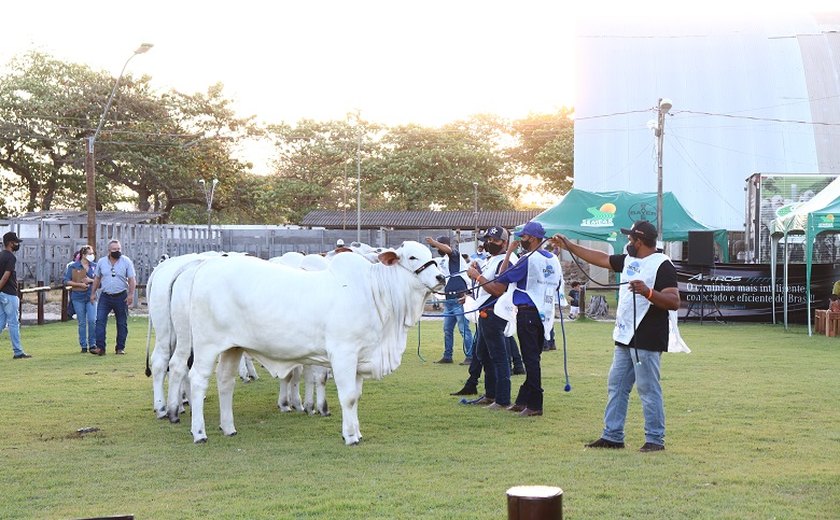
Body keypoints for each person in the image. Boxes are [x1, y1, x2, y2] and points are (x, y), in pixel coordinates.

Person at [551, 220, 680, 452]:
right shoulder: (628, 259)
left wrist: (648, 292)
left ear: (640, 241)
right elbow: (599, 258)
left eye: (631, 239)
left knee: (648, 389)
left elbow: (673, 301)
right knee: (616, 386)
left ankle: (655, 440)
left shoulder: (663, 264)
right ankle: (612, 435)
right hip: (624, 334)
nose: (628, 242)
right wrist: (569, 245)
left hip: (648, 336)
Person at [479, 221, 562, 417]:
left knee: (530, 360)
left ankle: (535, 404)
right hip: (545, 314)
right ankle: (523, 400)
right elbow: (558, 285)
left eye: (523, 237)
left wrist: (508, 253)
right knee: (533, 357)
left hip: (527, 312)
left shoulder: (528, 259)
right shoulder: (553, 260)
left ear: (532, 238)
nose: (521, 240)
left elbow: (502, 277)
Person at [464, 226, 518, 409]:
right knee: (483, 355)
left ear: (505, 243)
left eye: (494, 240)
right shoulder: (493, 259)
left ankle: (502, 399)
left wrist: (477, 276)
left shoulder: (507, 260)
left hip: (496, 312)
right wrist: (479, 271)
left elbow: (497, 289)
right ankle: (490, 394)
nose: (489, 243)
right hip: (485, 312)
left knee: (499, 357)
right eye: (488, 240)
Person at [426, 235, 473, 364]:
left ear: (446, 245)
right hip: (449, 299)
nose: (437, 248)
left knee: (464, 329)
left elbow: (448, 250)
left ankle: (470, 356)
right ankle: (447, 356)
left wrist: (434, 241)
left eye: (439, 246)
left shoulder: (455, 255)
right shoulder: (443, 260)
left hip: (459, 297)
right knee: (447, 329)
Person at [90, 239, 136, 356]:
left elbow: (131, 279)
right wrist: (93, 293)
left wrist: (131, 295)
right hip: (105, 296)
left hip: (121, 296)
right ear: (109, 251)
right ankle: (100, 348)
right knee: (100, 321)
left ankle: (120, 348)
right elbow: (97, 278)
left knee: (122, 323)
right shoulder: (101, 262)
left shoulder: (126, 261)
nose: (117, 251)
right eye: (114, 249)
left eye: (119, 249)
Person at [0, 231, 30, 359]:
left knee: (1, 322)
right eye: (15, 242)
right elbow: (6, 276)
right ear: (10, 243)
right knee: (13, 322)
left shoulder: (0, 255)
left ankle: (18, 350)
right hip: (9, 293)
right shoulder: (11, 257)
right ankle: (18, 351)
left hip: (2, 293)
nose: (17, 244)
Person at [63, 245, 97, 353]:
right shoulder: (73, 266)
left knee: (92, 320)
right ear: (83, 255)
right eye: (89, 254)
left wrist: (90, 280)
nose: (92, 256)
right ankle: (83, 345)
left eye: (92, 253)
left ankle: (92, 344)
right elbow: (66, 281)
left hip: (91, 296)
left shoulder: (95, 266)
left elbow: (99, 281)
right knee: (82, 322)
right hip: (78, 296)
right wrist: (79, 284)